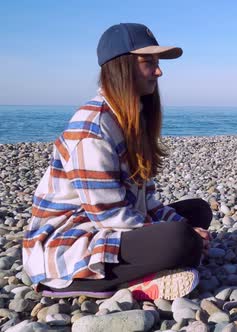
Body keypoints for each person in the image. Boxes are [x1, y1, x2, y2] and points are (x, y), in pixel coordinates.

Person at [22, 23, 212, 301]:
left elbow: (146, 201)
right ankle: (85, 284)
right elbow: (108, 216)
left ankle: (151, 268)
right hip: (68, 242)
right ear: (121, 67)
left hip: (106, 227)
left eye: (157, 63)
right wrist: (186, 237)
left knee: (198, 211)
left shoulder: (131, 118)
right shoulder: (92, 127)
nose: (159, 72)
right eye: (149, 63)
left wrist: (190, 229)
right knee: (179, 239)